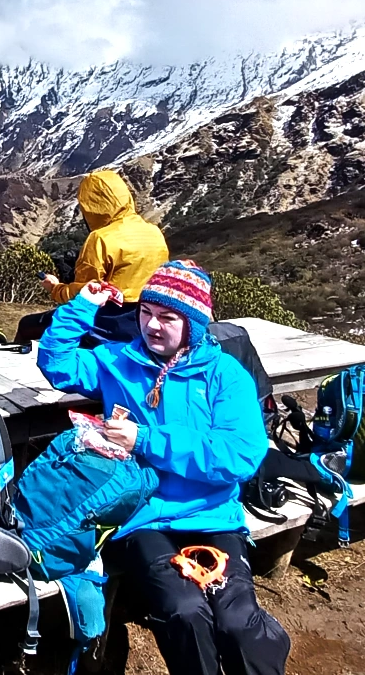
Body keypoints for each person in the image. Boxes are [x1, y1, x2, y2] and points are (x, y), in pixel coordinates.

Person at [37, 261, 287, 675]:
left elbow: (241, 454)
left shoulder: (225, 375)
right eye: (146, 313)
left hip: (212, 516)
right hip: (144, 516)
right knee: (184, 611)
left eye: (168, 318)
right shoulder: (117, 360)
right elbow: (57, 364)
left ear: (192, 323)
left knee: (237, 621)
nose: (152, 326)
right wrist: (83, 305)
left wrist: (147, 440)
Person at [17, 169, 169, 345]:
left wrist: (55, 288)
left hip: (106, 323)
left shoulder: (100, 238)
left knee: (26, 325)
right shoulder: (154, 231)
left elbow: (85, 294)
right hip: (143, 320)